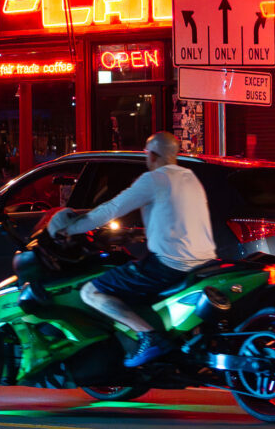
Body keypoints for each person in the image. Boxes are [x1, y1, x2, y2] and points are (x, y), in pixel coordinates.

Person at [48, 131, 216, 367]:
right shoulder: (190, 178)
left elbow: (111, 209)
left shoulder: (154, 179)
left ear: (153, 155)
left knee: (91, 292)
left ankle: (149, 336)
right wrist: (137, 234)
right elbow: (177, 219)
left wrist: (70, 229)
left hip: (169, 265)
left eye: (147, 154)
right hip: (205, 261)